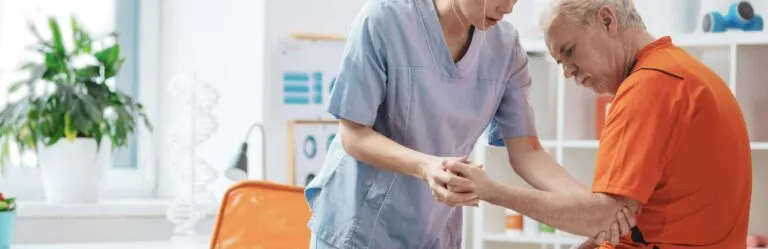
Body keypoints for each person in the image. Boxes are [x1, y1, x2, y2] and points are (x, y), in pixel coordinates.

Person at [303, 0, 637, 248]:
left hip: (433, 230)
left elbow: (528, 152)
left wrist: (596, 211)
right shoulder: (384, 21)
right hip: (359, 228)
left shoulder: (505, 48)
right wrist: (426, 166)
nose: (508, 7)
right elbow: (353, 135)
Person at [442, 0, 753, 248]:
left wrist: (493, 191)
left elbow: (605, 216)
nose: (567, 72)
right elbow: (627, 212)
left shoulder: (648, 88)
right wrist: (598, 226)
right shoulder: (690, 74)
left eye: (569, 51)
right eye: (559, 63)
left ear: (607, 20)